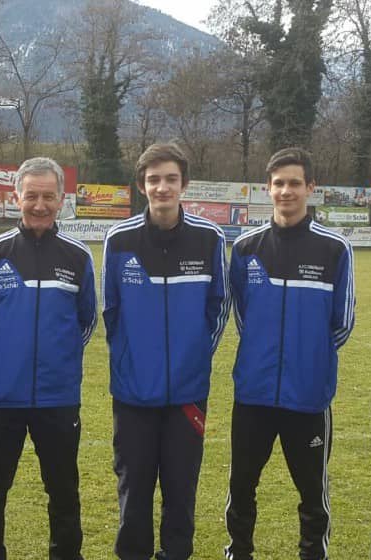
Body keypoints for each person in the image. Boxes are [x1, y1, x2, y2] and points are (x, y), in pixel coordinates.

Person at [101, 142, 231, 560]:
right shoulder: (118, 239)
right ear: (142, 185)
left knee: (181, 486)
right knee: (133, 486)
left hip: (188, 392)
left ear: (184, 184)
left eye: (170, 179)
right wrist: (131, 359)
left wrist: (194, 356)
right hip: (133, 391)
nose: (162, 187)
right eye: (154, 179)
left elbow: (220, 305)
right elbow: (109, 310)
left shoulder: (209, 238)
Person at [225, 147, 356, 560]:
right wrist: (266, 354)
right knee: (242, 484)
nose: (286, 191)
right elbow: (242, 314)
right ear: (267, 189)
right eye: (278, 184)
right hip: (254, 393)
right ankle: (239, 551)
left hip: (308, 395)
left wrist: (308, 358)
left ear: (311, 188)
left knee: (312, 490)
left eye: (294, 183)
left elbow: (342, 322)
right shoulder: (246, 248)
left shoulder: (334, 249)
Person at [0, 157, 97, 560]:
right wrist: (6, 356)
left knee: (62, 488)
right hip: (2, 395)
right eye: (31, 196)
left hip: (58, 397)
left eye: (48, 197)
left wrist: (60, 360)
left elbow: (87, 319)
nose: (39, 205)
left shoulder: (78, 257)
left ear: (61, 201)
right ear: (17, 197)